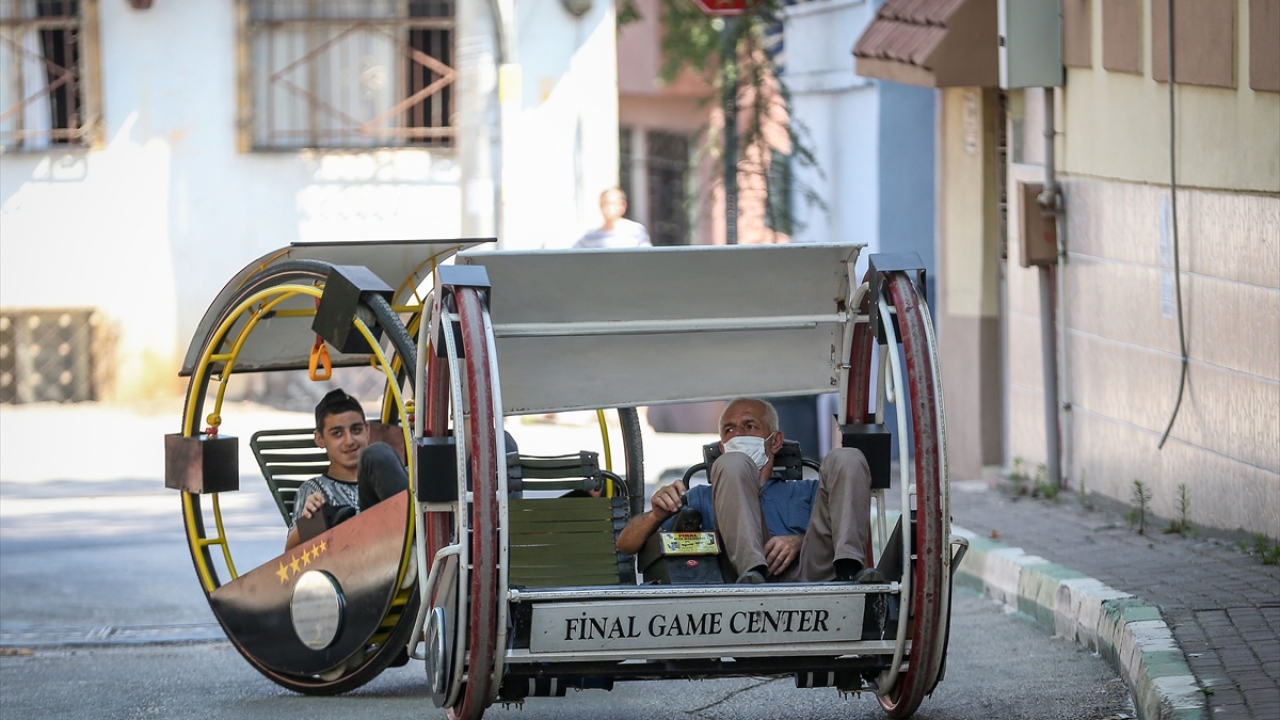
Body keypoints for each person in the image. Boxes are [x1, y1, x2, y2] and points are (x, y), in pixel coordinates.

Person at [615, 397, 882, 584]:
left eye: (750, 426)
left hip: (814, 572)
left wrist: (800, 542)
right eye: (729, 430)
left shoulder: (807, 491)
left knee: (847, 457)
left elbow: (835, 527)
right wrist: (656, 515)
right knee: (734, 465)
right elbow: (626, 544)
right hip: (742, 581)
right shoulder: (702, 496)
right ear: (721, 446)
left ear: (775, 441)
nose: (739, 435)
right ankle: (752, 570)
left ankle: (851, 570)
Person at [284, 389, 409, 550]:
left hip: (409, 546)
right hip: (361, 560)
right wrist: (310, 520)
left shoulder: (397, 473)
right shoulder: (315, 489)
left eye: (356, 430)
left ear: (367, 430)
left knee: (378, 456)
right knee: (376, 454)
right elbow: (290, 555)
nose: (349, 441)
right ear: (320, 439)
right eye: (337, 433)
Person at [573, 187, 652, 248]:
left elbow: (646, 257)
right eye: (604, 203)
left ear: (623, 205)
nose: (609, 208)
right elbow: (573, 257)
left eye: (612, 203)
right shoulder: (589, 236)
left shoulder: (636, 230)